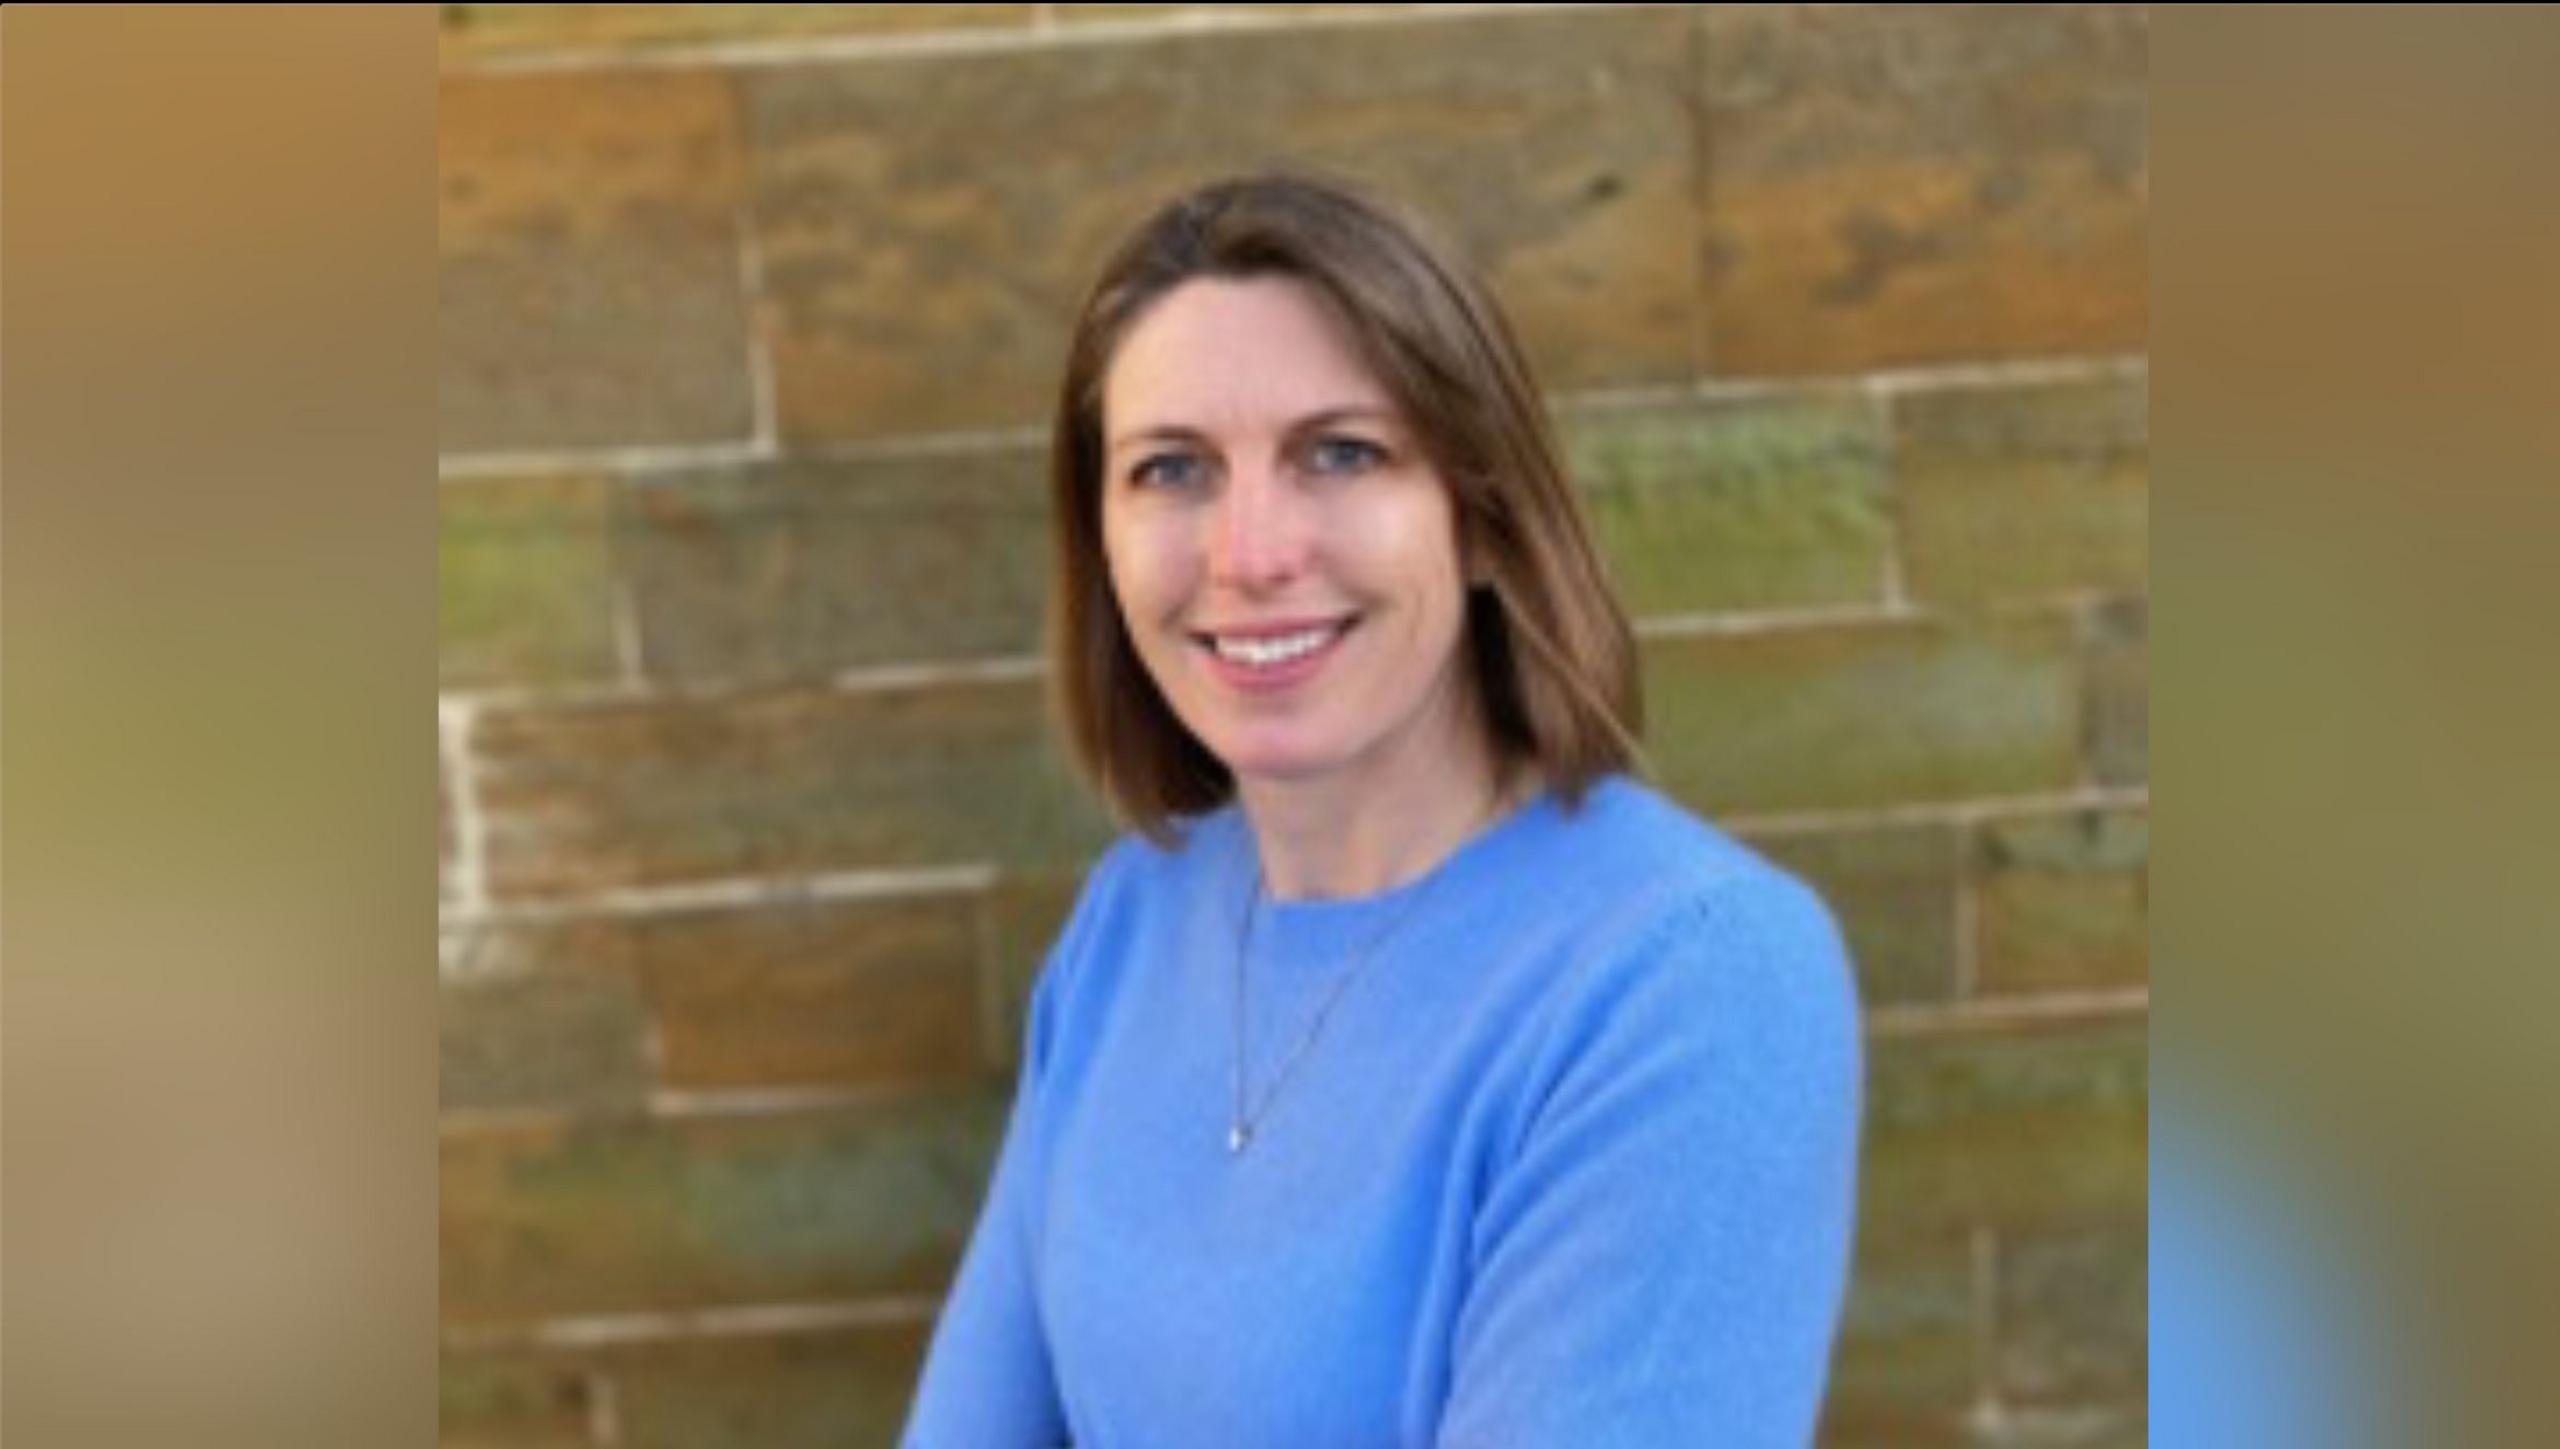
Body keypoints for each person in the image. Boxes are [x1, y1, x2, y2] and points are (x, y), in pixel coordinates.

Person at [901, 170, 1863, 1447]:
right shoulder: (1133, 920)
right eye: (1171, 469)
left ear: (1480, 516)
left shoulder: (1692, 980)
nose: (1248, 552)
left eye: (1340, 453)